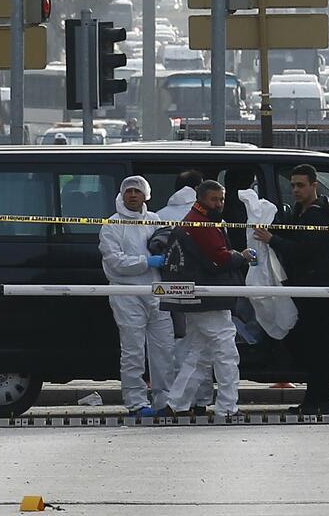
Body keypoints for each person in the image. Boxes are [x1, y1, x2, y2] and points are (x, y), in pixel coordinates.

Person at [253, 163, 329, 415]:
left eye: (300, 185)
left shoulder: (318, 214)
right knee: (310, 346)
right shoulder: (300, 211)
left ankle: (321, 400)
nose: (295, 190)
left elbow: (304, 250)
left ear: (314, 185)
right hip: (305, 287)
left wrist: (272, 239)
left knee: (317, 347)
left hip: (318, 289)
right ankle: (314, 399)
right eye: (292, 185)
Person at [161, 180, 254, 417]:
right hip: (209, 297)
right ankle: (227, 408)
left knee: (199, 353)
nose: (219, 204)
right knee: (226, 352)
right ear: (201, 199)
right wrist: (241, 256)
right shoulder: (201, 224)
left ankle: (177, 404)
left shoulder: (194, 220)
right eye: (214, 199)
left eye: (221, 199)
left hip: (196, 297)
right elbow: (219, 259)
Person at [98, 176, 175, 417]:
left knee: (164, 350)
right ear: (122, 195)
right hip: (126, 293)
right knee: (133, 351)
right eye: (129, 191)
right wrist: (147, 262)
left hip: (156, 292)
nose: (132, 195)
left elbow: (167, 246)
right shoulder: (111, 225)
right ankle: (136, 403)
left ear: (145, 195)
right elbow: (115, 261)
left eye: (137, 191)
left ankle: (165, 402)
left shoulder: (154, 220)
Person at [154, 170, 213, 414]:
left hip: (171, 286)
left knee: (180, 343)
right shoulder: (206, 216)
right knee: (203, 344)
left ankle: (179, 400)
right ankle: (202, 400)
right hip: (203, 287)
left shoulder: (160, 215)